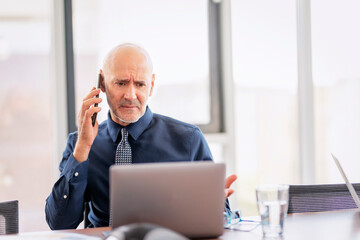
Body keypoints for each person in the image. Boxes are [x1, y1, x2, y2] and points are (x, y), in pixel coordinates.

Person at [45, 43, 237, 230]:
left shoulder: (188, 140)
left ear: (151, 86)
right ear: (101, 83)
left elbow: (223, 218)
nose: (131, 95)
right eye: (120, 83)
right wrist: (83, 148)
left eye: (140, 84)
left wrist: (215, 208)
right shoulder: (79, 143)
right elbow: (59, 223)